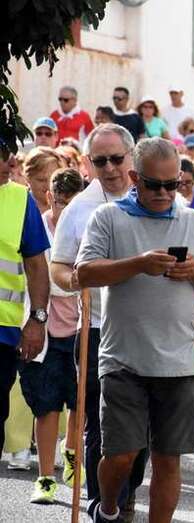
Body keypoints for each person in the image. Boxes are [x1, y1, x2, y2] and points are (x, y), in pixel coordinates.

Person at [75, 137, 194, 522]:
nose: (164, 194)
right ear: (133, 178)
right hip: (123, 359)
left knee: (168, 460)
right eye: (153, 185)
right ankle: (108, 507)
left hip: (178, 363)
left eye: (172, 185)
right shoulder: (109, 217)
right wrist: (138, 264)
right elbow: (83, 273)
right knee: (121, 455)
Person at [49, 124, 147, 520]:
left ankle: (126, 490)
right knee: (101, 422)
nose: (108, 168)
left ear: (132, 156)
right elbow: (58, 266)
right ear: (89, 163)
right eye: (99, 161)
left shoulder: (153, 195)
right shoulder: (80, 208)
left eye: (116, 159)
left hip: (147, 328)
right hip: (97, 328)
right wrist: (78, 280)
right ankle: (100, 503)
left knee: (142, 426)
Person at [19, 168, 85, 504]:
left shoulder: (88, 229)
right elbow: (42, 276)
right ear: (50, 199)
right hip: (42, 331)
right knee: (46, 406)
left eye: (72, 204)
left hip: (80, 329)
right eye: (60, 204)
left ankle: (73, 457)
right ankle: (45, 476)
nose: (65, 212)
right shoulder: (38, 229)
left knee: (79, 402)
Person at [0, 148, 50, 468]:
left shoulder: (20, 200)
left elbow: (36, 265)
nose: (13, 163)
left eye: (12, 155)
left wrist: (38, 319)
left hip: (3, 335)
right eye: (3, 154)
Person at [23, 147, 67, 215]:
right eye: (41, 180)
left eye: (54, 179)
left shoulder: (70, 205)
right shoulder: (20, 206)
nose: (48, 185)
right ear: (27, 178)